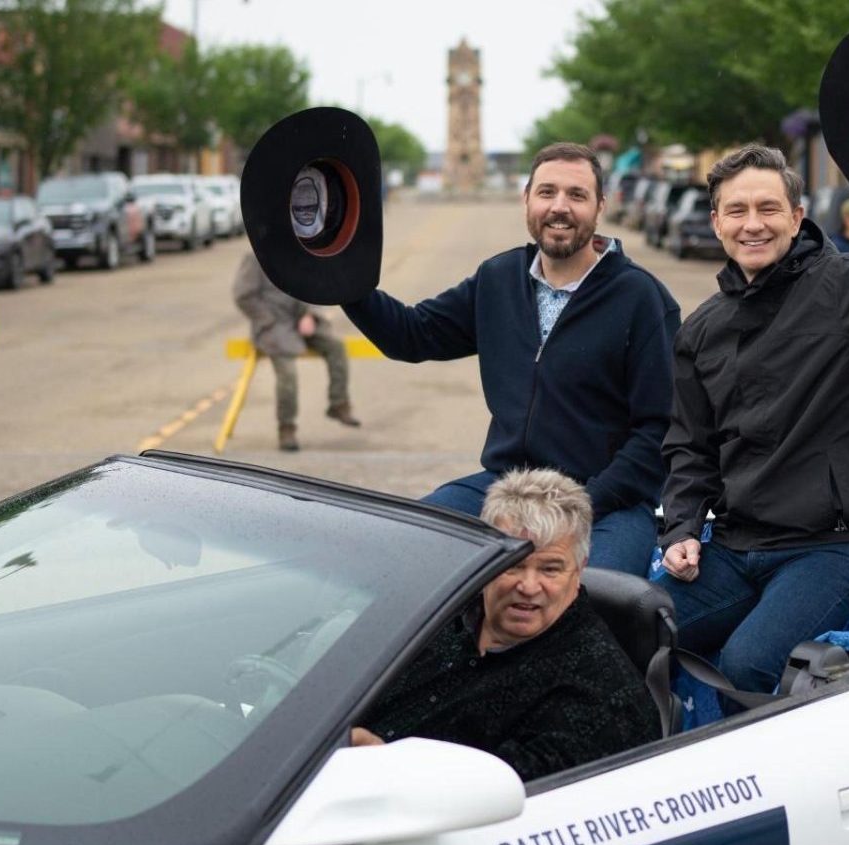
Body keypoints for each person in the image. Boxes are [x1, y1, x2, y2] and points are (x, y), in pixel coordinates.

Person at [659, 144, 849, 699]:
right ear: (717, 222)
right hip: (735, 545)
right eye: (736, 210)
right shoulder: (702, 329)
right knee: (635, 627)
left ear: (797, 216)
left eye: (768, 208)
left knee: (746, 662)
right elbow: (691, 446)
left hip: (836, 547)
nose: (753, 224)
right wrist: (681, 527)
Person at [341, 142, 680, 575]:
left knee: (596, 597)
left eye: (577, 195)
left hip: (609, 502)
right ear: (527, 200)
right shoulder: (498, 279)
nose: (559, 207)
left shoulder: (641, 298)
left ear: (600, 206)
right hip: (509, 487)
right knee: (409, 553)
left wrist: (587, 501)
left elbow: (658, 430)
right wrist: (342, 278)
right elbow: (412, 335)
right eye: (547, 192)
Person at [350, 468, 660, 781]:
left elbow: (505, 794)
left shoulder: (599, 695)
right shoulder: (433, 613)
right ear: (486, 559)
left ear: (579, 570)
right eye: (513, 565)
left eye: (550, 569)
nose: (528, 586)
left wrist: (385, 765)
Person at [231, 251, 360, 452]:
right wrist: (267, 320)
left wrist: (309, 315)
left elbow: (312, 288)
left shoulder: (298, 253)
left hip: (300, 320)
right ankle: (287, 428)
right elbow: (243, 296)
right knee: (288, 375)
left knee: (335, 347)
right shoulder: (256, 257)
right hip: (274, 326)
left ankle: (338, 404)